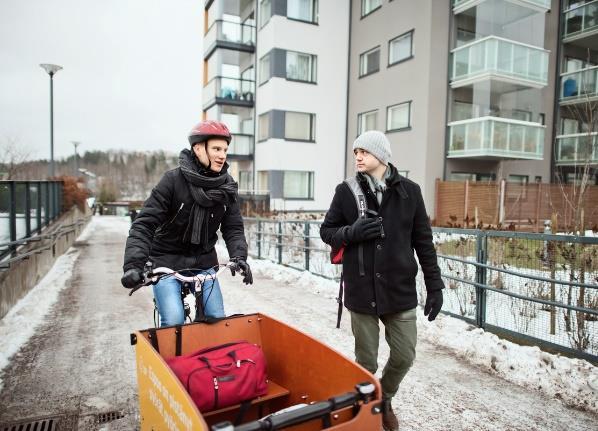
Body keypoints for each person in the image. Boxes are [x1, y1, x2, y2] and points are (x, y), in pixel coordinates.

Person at [320, 130, 444, 431]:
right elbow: (327, 231)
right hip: (361, 290)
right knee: (366, 363)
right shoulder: (346, 191)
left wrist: (435, 284)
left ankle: (383, 398)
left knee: (404, 355)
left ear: (382, 156)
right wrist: (353, 232)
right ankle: (365, 415)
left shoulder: (410, 192)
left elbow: (423, 242)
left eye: (364, 151)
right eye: (356, 152)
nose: (358, 156)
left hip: (399, 288)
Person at [121, 120, 253, 326]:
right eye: (216, 149)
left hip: (203, 261)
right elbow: (144, 224)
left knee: (217, 317)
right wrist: (133, 265)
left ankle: (207, 358)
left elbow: (233, 227)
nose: (222, 155)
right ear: (198, 148)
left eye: (225, 150)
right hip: (166, 261)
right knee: (174, 320)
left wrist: (239, 256)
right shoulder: (173, 181)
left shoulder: (227, 188)